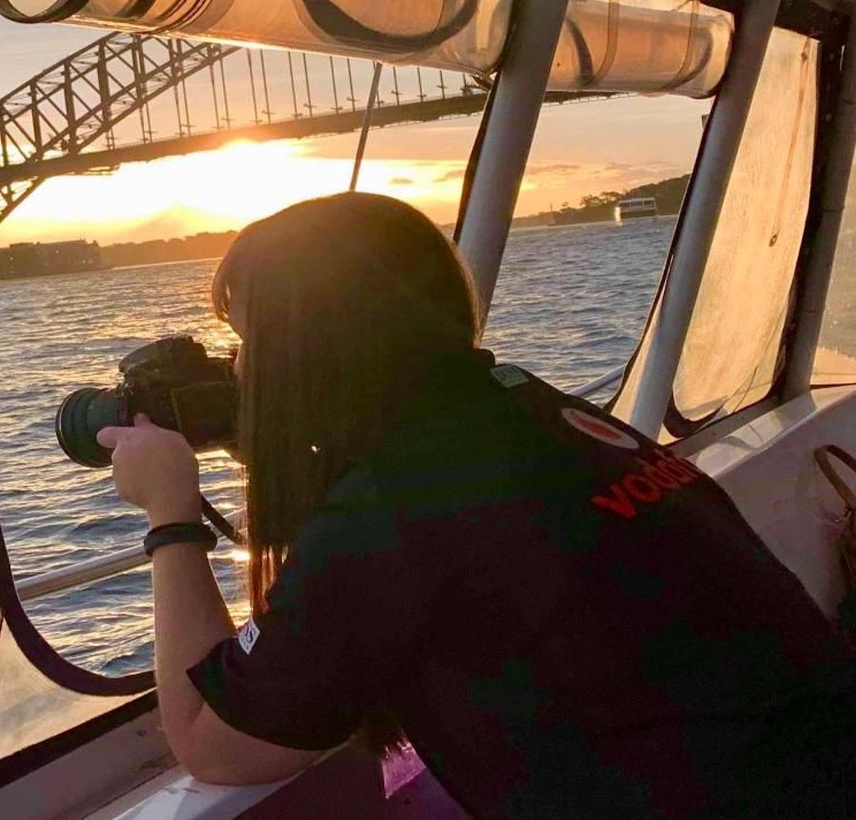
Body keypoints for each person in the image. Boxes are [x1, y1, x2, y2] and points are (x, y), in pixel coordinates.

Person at [95, 193, 856, 818]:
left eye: (248, 341)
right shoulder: (526, 409)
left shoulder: (396, 507)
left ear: (305, 354)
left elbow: (217, 746)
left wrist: (170, 510)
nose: (240, 368)